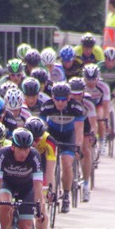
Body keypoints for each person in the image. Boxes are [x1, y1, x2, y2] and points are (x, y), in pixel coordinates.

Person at [39, 81, 87, 214]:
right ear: (52, 98)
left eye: (63, 100)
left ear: (69, 98)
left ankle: (66, 196)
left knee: (66, 163)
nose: (60, 103)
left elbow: (79, 130)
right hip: (52, 134)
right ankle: (49, 191)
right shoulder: (46, 106)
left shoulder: (76, 107)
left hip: (68, 136)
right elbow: (40, 129)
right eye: (57, 99)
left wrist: (78, 147)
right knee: (48, 164)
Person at [24, 116, 56, 229]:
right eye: (33, 139)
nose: (35, 143)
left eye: (38, 139)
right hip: (24, 169)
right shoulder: (20, 139)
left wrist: (49, 189)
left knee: (41, 206)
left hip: (41, 169)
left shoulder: (49, 141)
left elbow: (50, 169)